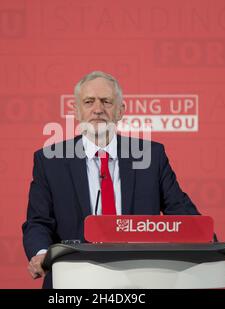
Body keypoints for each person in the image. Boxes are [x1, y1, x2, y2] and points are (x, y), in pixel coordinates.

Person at [22, 71, 201, 288]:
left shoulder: (152, 156)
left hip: (140, 279)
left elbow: (182, 213)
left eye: (106, 101)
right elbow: (38, 222)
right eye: (89, 102)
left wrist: (218, 252)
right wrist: (42, 254)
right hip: (73, 279)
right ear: (76, 111)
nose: (98, 109)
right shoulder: (50, 161)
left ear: (120, 111)